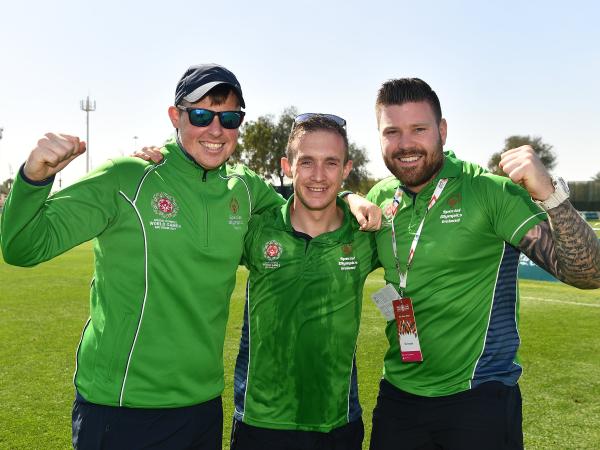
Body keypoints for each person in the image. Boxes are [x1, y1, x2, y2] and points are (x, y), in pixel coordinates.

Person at [0, 63, 378, 450]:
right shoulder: (129, 176)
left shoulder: (244, 189)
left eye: (229, 119)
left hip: (202, 410)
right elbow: (23, 246)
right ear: (175, 116)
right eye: (201, 115)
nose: (216, 130)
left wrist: (350, 196)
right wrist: (34, 178)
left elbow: (308, 199)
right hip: (122, 410)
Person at [366, 78, 600, 450]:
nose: (405, 143)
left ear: (442, 131)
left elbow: (589, 273)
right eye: (392, 131)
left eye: (419, 129)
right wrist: (347, 197)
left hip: (478, 400)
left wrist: (550, 196)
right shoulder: (379, 198)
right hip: (398, 397)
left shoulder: (489, 191)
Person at [230, 114, 379, 450]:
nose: (318, 176)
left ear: (346, 169)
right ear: (287, 166)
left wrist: (354, 198)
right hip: (260, 422)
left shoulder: (364, 235)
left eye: (331, 163)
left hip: (336, 423)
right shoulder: (257, 229)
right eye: (307, 162)